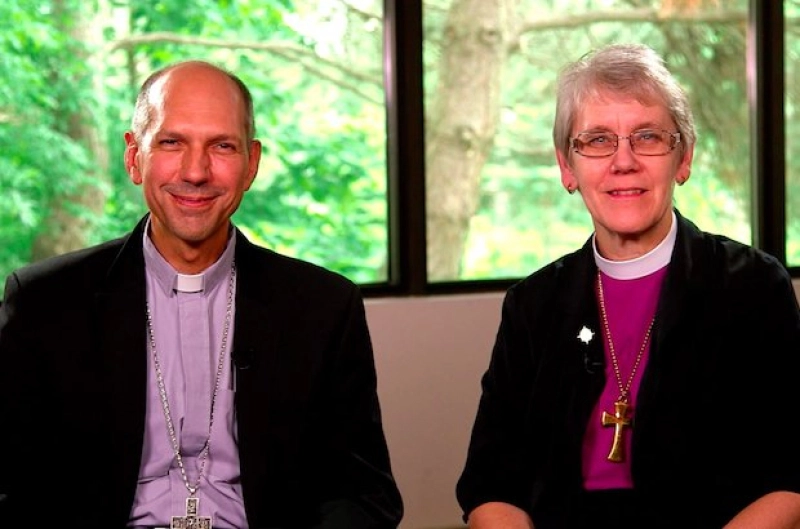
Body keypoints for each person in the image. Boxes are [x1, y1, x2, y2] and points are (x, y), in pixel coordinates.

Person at [0, 60, 403, 528]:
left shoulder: (324, 308)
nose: (196, 172)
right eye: (171, 142)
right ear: (134, 157)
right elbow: (10, 488)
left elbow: (362, 493)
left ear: (251, 163)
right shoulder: (45, 302)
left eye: (222, 146)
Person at [456, 43, 800, 529]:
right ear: (565, 167)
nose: (623, 162)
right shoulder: (533, 305)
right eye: (596, 140)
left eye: (648, 137)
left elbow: (791, 477)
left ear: (683, 158)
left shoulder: (751, 287)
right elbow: (491, 487)